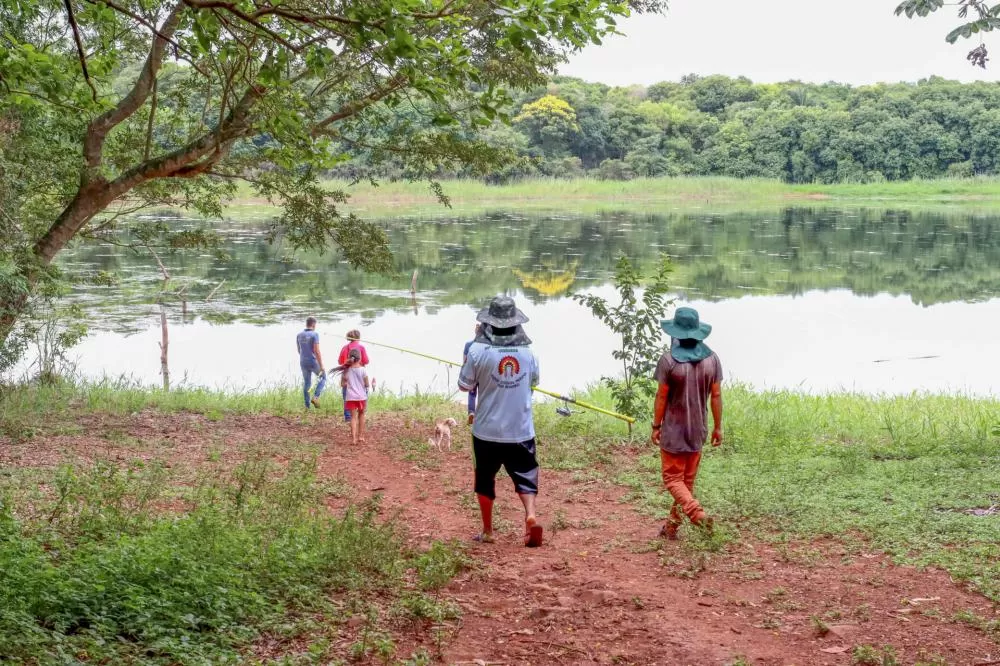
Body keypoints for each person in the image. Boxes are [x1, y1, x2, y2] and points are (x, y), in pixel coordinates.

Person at [459, 296, 543, 547]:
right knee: (526, 476)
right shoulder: (529, 353)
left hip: (486, 431)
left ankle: (487, 531)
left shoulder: (477, 350)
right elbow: (533, 384)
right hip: (521, 430)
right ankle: (530, 516)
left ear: (489, 324)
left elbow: (465, 386)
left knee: (485, 479)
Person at [651, 306, 723, 540]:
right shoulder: (712, 359)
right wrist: (717, 427)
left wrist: (656, 425)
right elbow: (716, 395)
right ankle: (671, 528)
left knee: (673, 479)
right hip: (698, 430)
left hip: (674, 430)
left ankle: (697, 514)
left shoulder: (668, 360)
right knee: (686, 483)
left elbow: (662, 396)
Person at [338, 330, 370, 422]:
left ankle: (348, 417)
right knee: (362, 393)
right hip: (359, 374)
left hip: (346, 373)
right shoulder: (361, 347)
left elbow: (340, 362)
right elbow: (366, 361)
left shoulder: (344, 348)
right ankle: (361, 413)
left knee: (346, 393)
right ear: (358, 338)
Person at [296, 316, 326, 409]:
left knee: (307, 383)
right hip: (313, 361)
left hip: (303, 361)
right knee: (323, 377)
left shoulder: (299, 335)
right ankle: (316, 397)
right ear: (313, 324)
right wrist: (321, 366)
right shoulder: (314, 334)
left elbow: (299, 350)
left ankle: (307, 406)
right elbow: (317, 351)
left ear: (306, 323)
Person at [341, 348, 370, 444]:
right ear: (360, 358)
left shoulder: (346, 371)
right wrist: (369, 385)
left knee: (353, 417)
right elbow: (366, 384)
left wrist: (347, 382)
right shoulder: (363, 370)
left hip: (350, 397)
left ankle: (353, 438)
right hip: (361, 397)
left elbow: (343, 384)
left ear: (350, 358)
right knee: (361, 414)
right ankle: (360, 436)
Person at [463, 324, 482, 425]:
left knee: (472, 393)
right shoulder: (487, 346)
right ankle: (481, 416)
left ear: (475, 331)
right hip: (483, 373)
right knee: (483, 394)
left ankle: (471, 412)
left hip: (471, 373)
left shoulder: (468, 344)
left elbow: (465, 360)